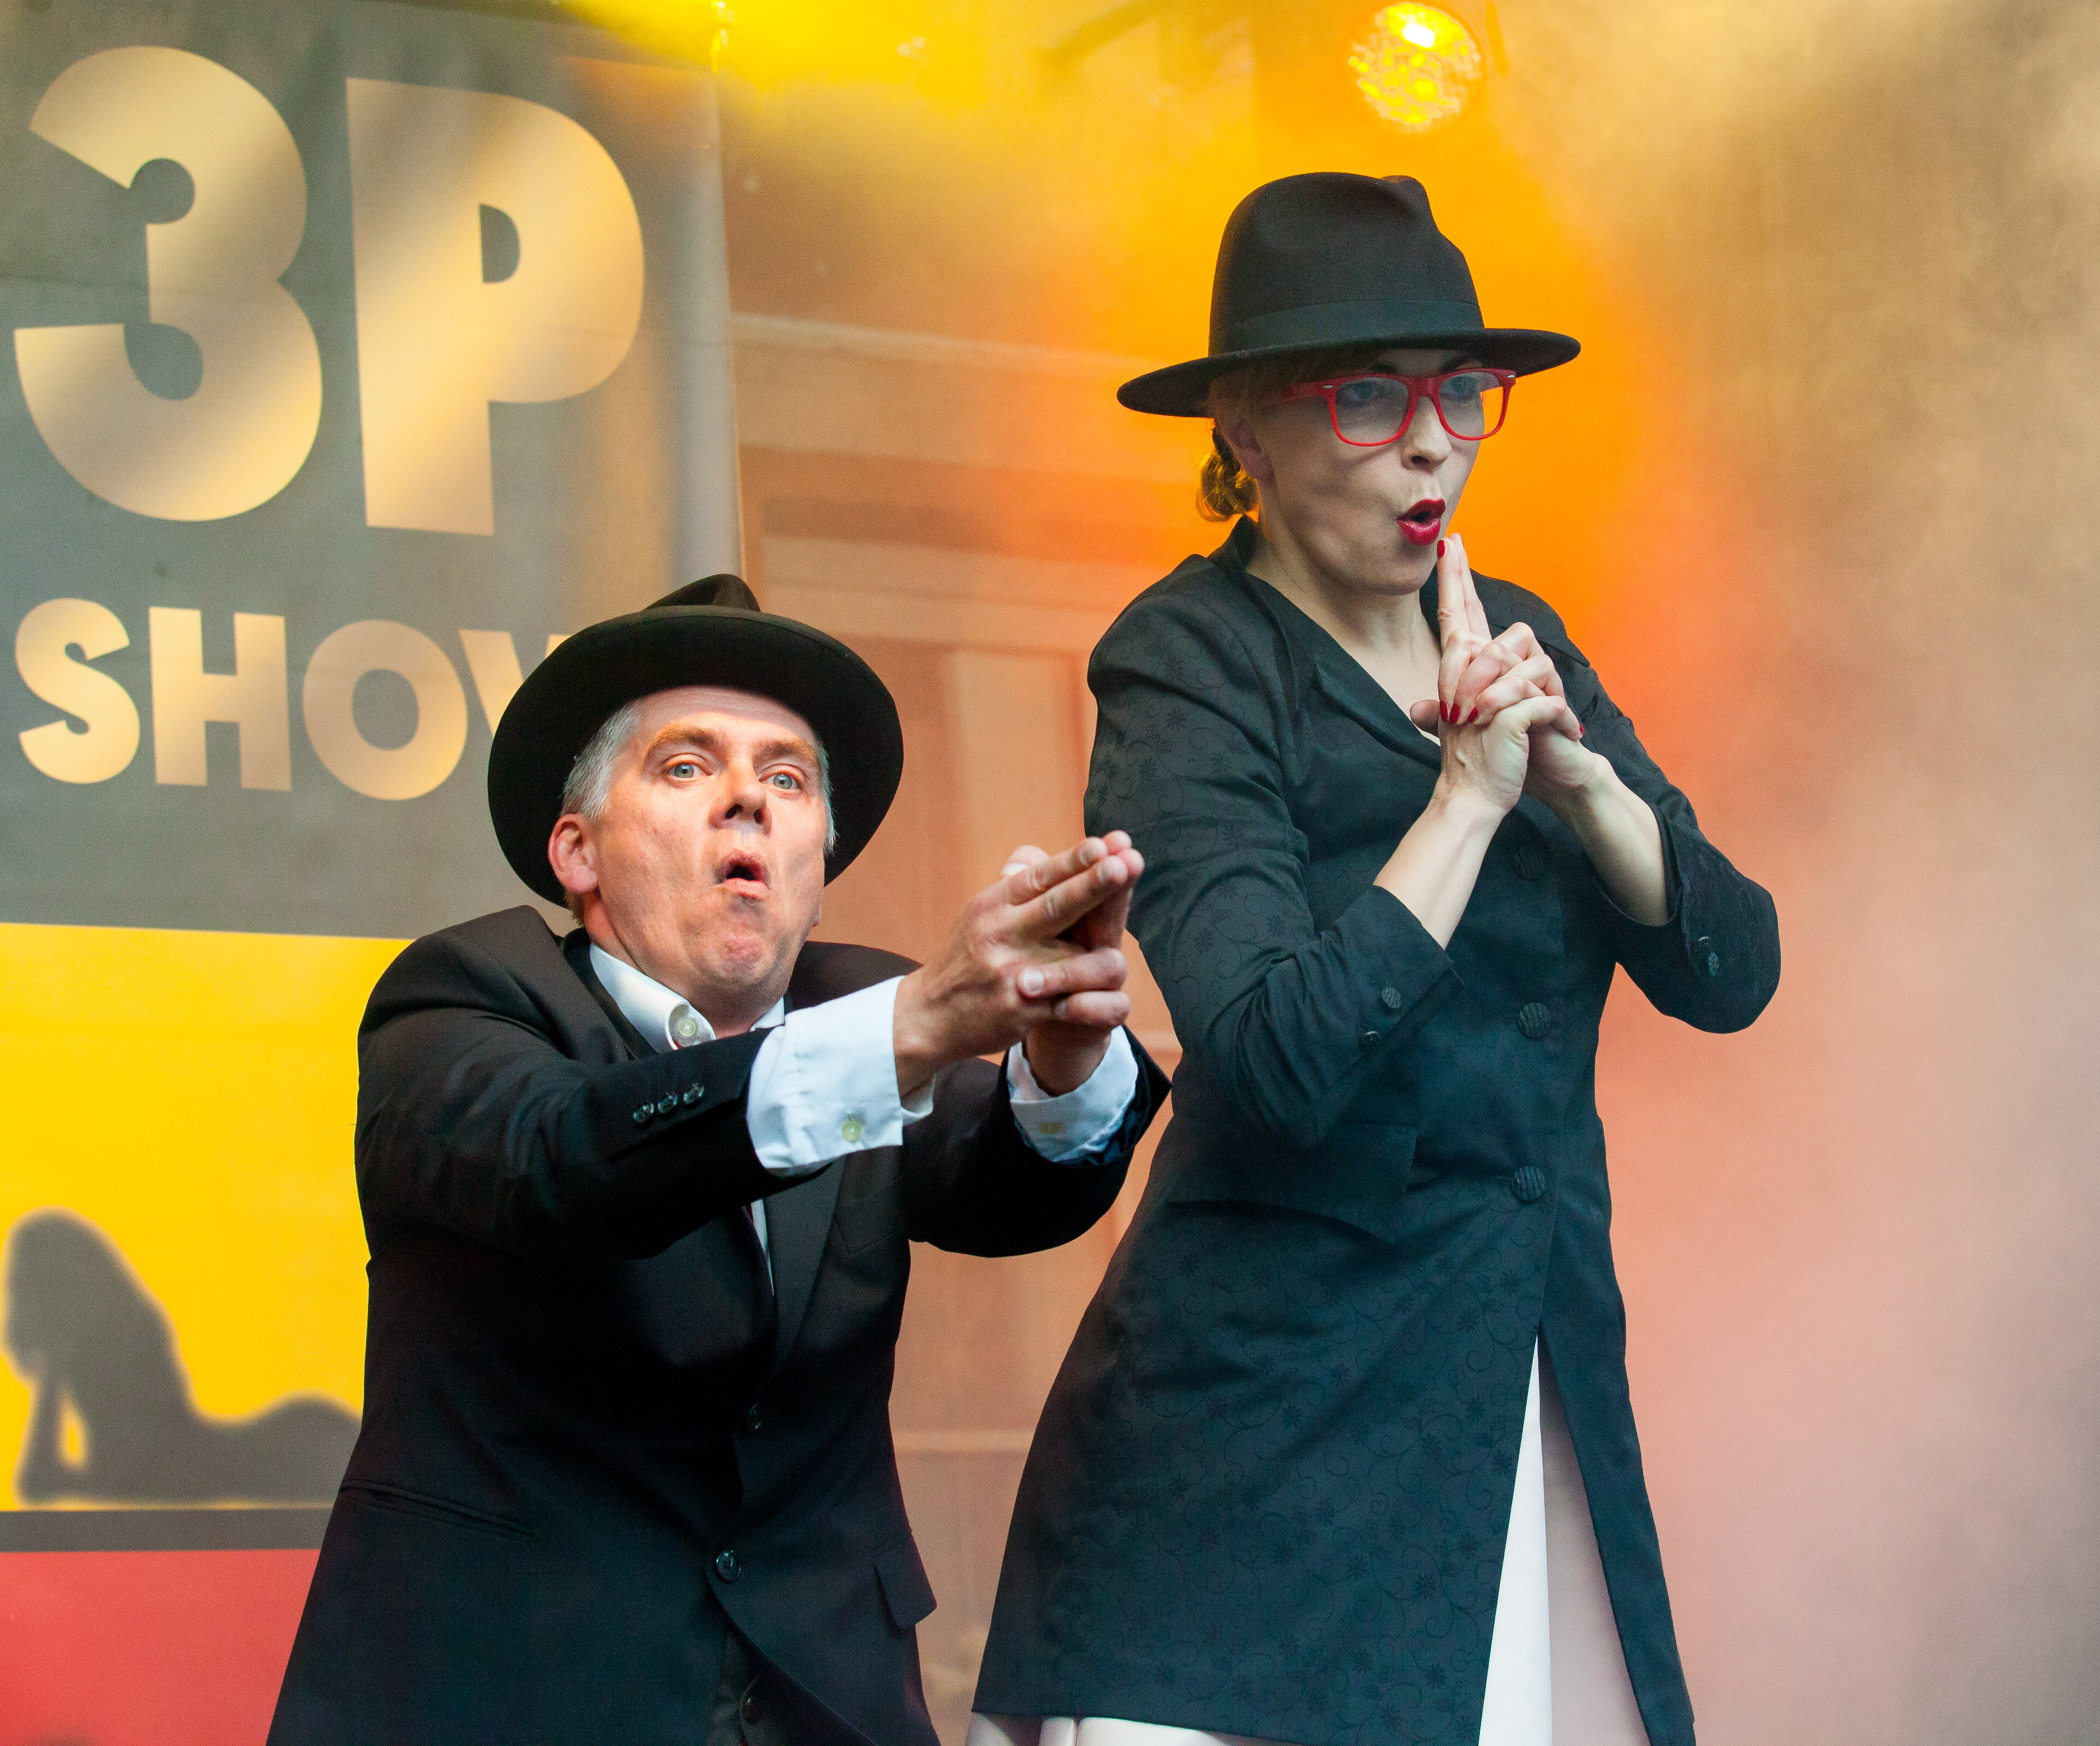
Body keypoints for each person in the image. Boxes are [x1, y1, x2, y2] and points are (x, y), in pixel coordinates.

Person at [969, 174, 1780, 1746]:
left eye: (1462, 393)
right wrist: (1465, 805)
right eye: (1367, 398)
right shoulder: (1189, 656)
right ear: (1246, 434)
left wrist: (1582, 785)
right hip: (1259, 1427)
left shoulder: (1515, 625)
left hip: (1503, 1371)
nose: (1433, 444)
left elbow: (1732, 970)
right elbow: (1272, 1060)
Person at [268, 575, 1169, 1746]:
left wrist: (1062, 1049)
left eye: (788, 780)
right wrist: (909, 1030)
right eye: (688, 765)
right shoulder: (461, 998)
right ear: (578, 851)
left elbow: (1009, 1186)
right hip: (513, 1692)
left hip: (825, 1696)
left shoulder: (857, 1005)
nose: (749, 797)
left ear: (818, 866)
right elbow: (565, 1160)